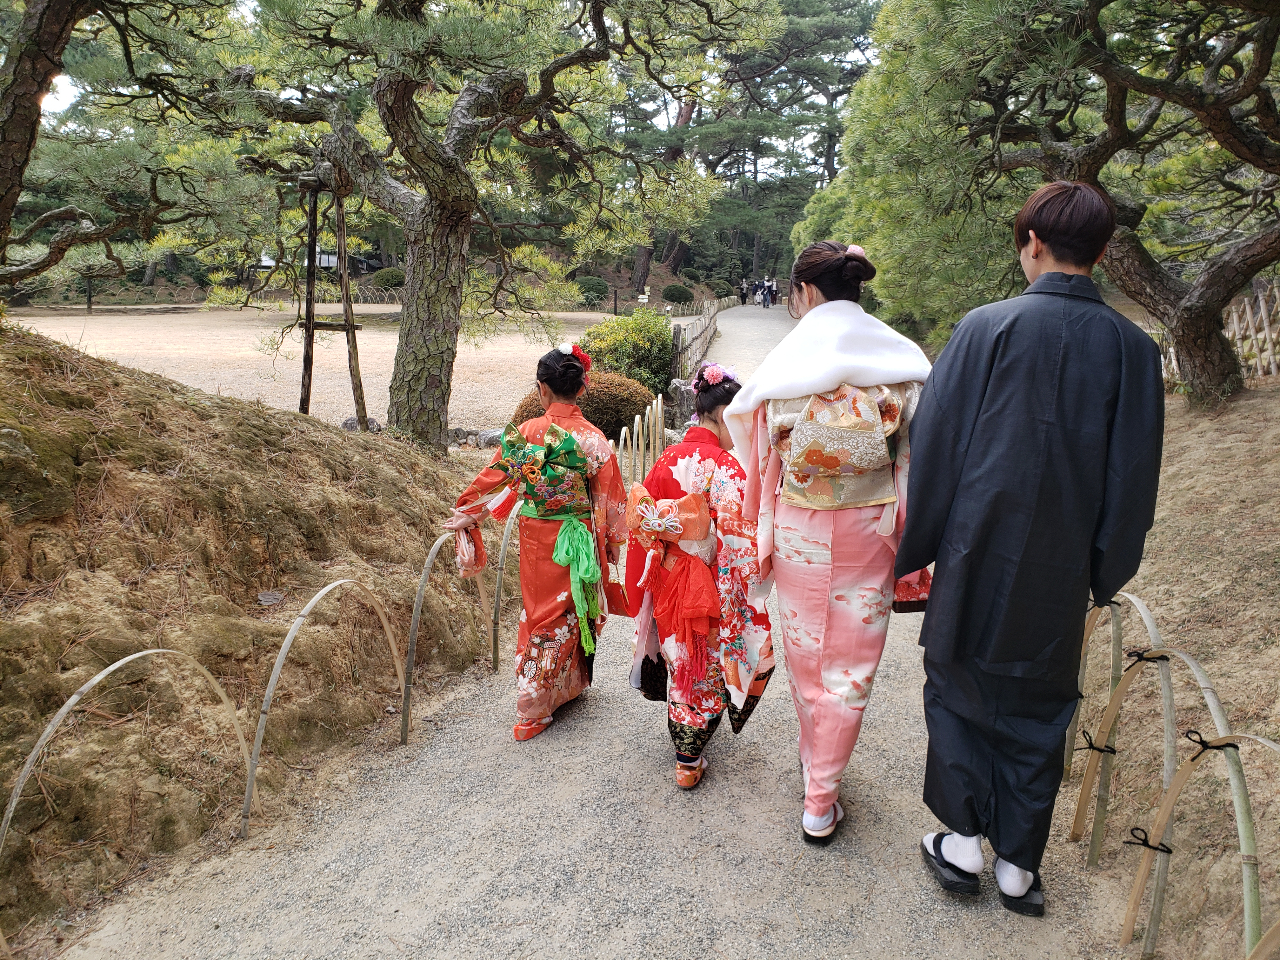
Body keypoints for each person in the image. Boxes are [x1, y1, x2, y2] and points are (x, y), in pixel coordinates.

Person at [896, 181, 1164, 916]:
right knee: (1042, 702)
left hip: (977, 546)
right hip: (1062, 559)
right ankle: (1018, 864)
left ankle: (960, 844)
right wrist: (1106, 568)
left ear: (1031, 245)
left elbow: (937, 445)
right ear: (1104, 253)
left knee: (957, 685)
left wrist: (916, 547)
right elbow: (1133, 475)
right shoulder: (1134, 351)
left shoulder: (985, 328)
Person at [725, 241, 932, 843]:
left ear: (805, 293)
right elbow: (916, 455)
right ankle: (822, 791)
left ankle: (818, 774)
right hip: (871, 525)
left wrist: (759, 523)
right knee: (852, 662)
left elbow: (756, 448)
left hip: (800, 526)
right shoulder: (897, 355)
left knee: (806, 652)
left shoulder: (790, 359)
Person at [446, 343, 627, 741]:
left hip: (536, 536)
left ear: (542, 389)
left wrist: (469, 510)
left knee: (540, 614)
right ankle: (536, 701)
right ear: (581, 389)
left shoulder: (528, 432)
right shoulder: (594, 439)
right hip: (577, 534)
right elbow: (610, 499)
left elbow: (500, 478)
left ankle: (546, 699)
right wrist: (612, 541)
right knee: (569, 611)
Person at [624, 362, 774, 789]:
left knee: (679, 653)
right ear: (723, 414)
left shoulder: (666, 460)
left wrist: (645, 576)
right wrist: (748, 584)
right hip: (709, 580)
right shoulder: (726, 468)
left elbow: (643, 524)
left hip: (669, 574)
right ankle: (688, 755)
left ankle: (685, 739)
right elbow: (741, 537)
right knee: (707, 658)